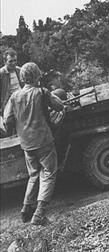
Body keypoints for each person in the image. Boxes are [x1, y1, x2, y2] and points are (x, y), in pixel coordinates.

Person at [3, 62, 65, 225]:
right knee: (49, 174)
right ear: (37, 76)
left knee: (33, 175)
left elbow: (7, 120)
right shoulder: (42, 92)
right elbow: (59, 106)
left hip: (26, 143)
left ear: (23, 78)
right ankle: (39, 214)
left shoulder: (14, 97)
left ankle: (25, 210)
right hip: (43, 140)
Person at [0, 48, 23, 116]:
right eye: (10, 61)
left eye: (15, 60)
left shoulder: (19, 70)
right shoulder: (2, 73)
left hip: (21, 100)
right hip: (8, 104)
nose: (13, 63)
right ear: (5, 61)